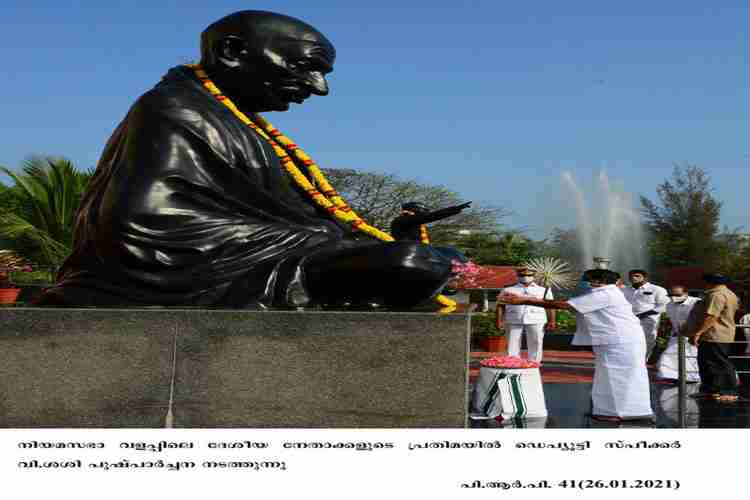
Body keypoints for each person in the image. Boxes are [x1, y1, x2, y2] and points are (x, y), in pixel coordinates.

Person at [38, 11, 454, 309]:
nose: (318, 87)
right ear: (233, 52)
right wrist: (325, 241)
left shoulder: (241, 124)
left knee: (440, 259)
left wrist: (378, 237)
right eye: (305, 67)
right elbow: (143, 222)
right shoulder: (172, 108)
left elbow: (289, 215)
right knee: (404, 263)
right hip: (185, 271)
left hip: (264, 256)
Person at [499, 269, 653, 423]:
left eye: (586, 280)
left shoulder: (605, 294)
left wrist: (525, 300)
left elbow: (567, 305)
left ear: (598, 281)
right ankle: (608, 410)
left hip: (621, 341)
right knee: (608, 375)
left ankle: (625, 412)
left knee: (620, 376)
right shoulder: (607, 292)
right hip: (615, 341)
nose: (583, 283)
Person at [682, 273, 740, 402]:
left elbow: (712, 316)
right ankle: (710, 390)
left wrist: (698, 332)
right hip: (713, 334)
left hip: (716, 334)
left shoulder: (716, 295)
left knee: (720, 363)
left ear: (711, 282)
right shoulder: (730, 293)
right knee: (707, 363)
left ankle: (729, 391)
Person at [495, 268, 556, 363]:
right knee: (512, 343)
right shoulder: (507, 289)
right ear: (518, 276)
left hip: (537, 319)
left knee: (536, 343)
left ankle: (534, 363)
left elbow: (550, 306)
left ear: (533, 277)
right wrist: (499, 321)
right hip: (513, 319)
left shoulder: (544, 290)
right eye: (522, 276)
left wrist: (552, 320)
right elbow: (500, 306)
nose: (525, 278)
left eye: (528, 276)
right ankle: (513, 363)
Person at [655, 285, 701, 382]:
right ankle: (672, 376)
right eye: (671, 295)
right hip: (677, 335)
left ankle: (692, 377)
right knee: (668, 357)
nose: (674, 297)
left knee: (692, 358)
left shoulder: (696, 302)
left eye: (677, 295)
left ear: (686, 294)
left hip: (694, 335)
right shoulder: (669, 305)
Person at [622, 269, 669, 361]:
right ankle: (630, 360)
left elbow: (664, 305)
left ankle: (643, 361)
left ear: (645, 278)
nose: (633, 278)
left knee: (646, 341)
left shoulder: (657, 289)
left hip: (648, 320)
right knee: (628, 341)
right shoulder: (625, 290)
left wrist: (644, 314)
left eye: (637, 276)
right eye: (631, 276)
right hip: (628, 320)